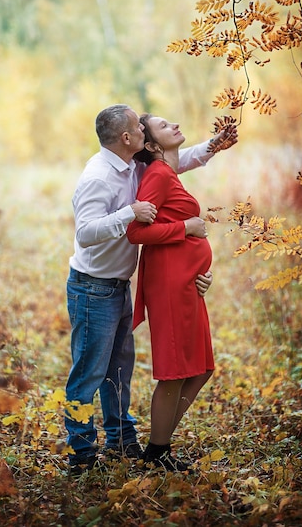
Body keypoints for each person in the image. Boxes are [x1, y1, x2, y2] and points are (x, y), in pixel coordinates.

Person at [65, 104, 238, 475]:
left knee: (118, 372)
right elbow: (84, 233)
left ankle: (121, 443)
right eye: (139, 129)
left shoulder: (134, 166)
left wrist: (214, 145)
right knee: (88, 374)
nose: (145, 133)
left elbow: (173, 163)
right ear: (127, 138)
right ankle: (81, 455)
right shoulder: (97, 177)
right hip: (92, 287)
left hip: (119, 284)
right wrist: (131, 213)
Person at [126, 113, 236, 472]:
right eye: (162, 126)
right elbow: (136, 233)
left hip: (187, 282)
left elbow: (190, 159)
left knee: (201, 368)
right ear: (154, 145)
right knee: (174, 372)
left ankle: (157, 448)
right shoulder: (156, 175)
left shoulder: (168, 171)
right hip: (169, 283)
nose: (173, 124)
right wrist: (186, 227)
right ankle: (156, 453)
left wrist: (201, 270)